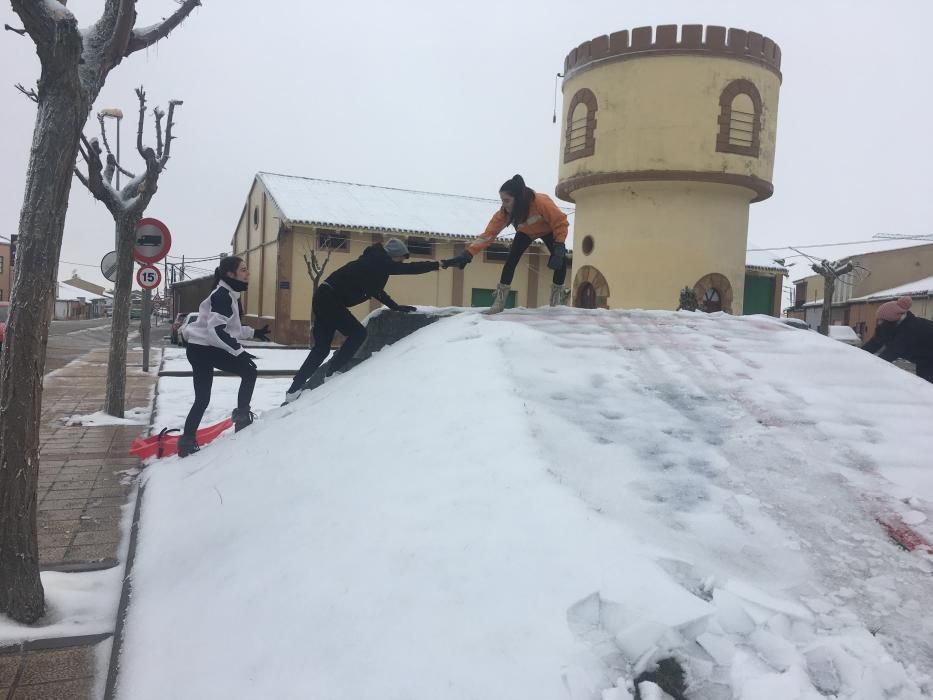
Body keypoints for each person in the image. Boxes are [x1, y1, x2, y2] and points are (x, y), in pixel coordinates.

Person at [284, 238, 444, 403]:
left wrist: (395, 306)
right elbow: (410, 269)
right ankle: (333, 374)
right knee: (358, 333)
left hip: (324, 296)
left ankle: (294, 390)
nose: (402, 261)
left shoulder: (375, 262)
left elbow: (376, 290)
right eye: (402, 258)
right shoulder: (378, 262)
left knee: (322, 348)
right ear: (394, 255)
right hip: (329, 299)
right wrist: (439, 264)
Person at [177, 256, 271, 457]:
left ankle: (186, 442)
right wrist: (239, 351)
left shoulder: (229, 294)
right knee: (248, 371)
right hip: (203, 349)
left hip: (201, 348)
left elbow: (231, 329)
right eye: (244, 270)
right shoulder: (223, 296)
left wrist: (255, 333)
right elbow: (216, 331)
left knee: (203, 398)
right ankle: (242, 419)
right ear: (231, 274)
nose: (248, 274)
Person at [443, 173, 570, 314]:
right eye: (502, 200)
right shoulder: (505, 212)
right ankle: (499, 301)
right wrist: (468, 253)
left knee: (561, 260)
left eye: (506, 200)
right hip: (526, 232)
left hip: (548, 230)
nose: (503, 204)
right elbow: (488, 234)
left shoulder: (541, 203)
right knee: (511, 260)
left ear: (519, 198)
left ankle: (556, 301)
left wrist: (559, 246)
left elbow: (560, 222)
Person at [860, 296, 933, 383]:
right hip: (923, 359)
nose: (879, 323)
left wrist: (867, 370)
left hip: (929, 358)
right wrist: (856, 354)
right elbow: (875, 342)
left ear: (893, 320)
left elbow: (890, 354)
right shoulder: (887, 326)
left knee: (926, 382)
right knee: (924, 381)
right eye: (878, 320)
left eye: (882, 320)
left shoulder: (910, 329)